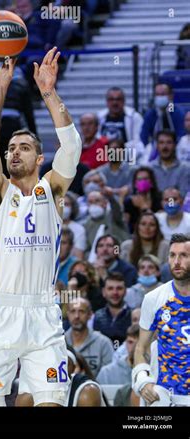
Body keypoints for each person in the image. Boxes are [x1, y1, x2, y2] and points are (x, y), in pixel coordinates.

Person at [0, 47, 80, 407]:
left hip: (43, 315)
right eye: (11, 148)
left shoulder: (52, 190)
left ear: (39, 157)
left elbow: (73, 147)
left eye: (23, 147)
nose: (14, 152)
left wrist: (48, 92)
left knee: (51, 401)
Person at [132, 233, 190, 406]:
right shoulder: (153, 299)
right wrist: (143, 379)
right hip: (164, 395)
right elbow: (140, 348)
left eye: (184, 255)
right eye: (172, 255)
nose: (177, 261)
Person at [65, 297, 114, 376]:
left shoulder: (103, 343)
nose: (77, 316)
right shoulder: (60, 342)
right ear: (68, 314)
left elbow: (109, 376)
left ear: (90, 315)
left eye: (81, 311)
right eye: (73, 311)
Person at [97, 87, 144, 155]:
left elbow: (138, 142)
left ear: (124, 101)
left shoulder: (135, 117)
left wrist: (119, 150)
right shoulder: (99, 117)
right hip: (102, 158)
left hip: (127, 158)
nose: (115, 102)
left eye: (118, 99)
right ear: (107, 101)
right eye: (111, 99)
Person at [149, 130, 190, 195]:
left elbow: (184, 195)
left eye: (169, 142)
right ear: (157, 146)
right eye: (161, 142)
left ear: (175, 145)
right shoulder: (149, 169)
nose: (165, 146)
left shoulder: (186, 169)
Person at [123, 166, 161, 233]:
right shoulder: (128, 202)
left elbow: (160, 222)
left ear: (151, 182)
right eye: (139, 180)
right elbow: (124, 225)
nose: (142, 182)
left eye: (145, 179)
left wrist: (144, 207)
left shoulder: (160, 198)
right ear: (135, 184)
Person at [62, 192, 86, 258]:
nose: (62, 207)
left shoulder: (79, 229)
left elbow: (78, 257)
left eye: (66, 204)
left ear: (72, 207)